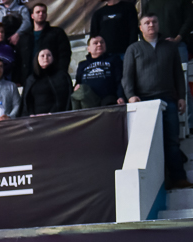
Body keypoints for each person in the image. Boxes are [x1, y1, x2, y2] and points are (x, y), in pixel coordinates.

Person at [124, 13, 191, 189]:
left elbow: (178, 75)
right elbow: (127, 76)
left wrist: (181, 97)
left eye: (154, 21)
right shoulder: (133, 49)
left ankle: (178, 178)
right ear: (140, 27)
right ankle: (155, 185)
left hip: (168, 99)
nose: (151, 25)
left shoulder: (170, 47)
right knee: (148, 144)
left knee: (172, 141)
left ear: (158, 25)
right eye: (147, 22)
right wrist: (131, 95)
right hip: (143, 102)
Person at [16, 3, 71, 85]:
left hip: (52, 78)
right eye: (38, 12)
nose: (41, 14)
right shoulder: (24, 37)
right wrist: (17, 80)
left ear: (46, 15)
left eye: (43, 12)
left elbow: (64, 54)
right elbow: (18, 60)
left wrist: (61, 73)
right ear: (32, 16)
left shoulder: (57, 33)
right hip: (29, 79)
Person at [72, 36, 125, 109]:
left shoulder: (114, 59)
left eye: (102, 42)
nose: (99, 44)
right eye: (95, 43)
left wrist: (120, 96)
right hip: (88, 99)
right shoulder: (82, 65)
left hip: (108, 99)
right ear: (89, 49)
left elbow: (119, 79)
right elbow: (78, 83)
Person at [20, 48, 72, 116]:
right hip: (34, 118)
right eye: (42, 56)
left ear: (53, 58)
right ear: (37, 58)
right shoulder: (31, 79)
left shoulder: (61, 76)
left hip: (55, 117)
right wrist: (31, 114)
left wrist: (51, 113)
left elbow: (63, 98)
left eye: (48, 55)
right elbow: (27, 101)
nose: (45, 58)